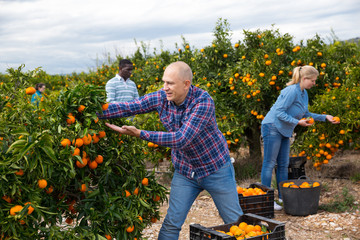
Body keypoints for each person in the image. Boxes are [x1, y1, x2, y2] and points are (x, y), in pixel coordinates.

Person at [99, 61, 243, 239]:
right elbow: (131, 106)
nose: (165, 87)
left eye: (170, 83)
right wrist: (95, 110)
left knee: (236, 224)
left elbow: (182, 138)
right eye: (164, 82)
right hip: (185, 172)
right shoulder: (162, 97)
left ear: (186, 84)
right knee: (171, 223)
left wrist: (141, 134)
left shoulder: (203, 102)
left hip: (215, 169)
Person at [260, 65, 338, 211]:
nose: (314, 83)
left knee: (283, 164)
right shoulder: (291, 91)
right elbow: (279, 113)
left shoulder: (304, 94)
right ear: (304, 78)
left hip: (285, 130)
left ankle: (284, 196)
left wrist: (325, 117)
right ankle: (267, 199)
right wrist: (297, 122)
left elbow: (305, 114)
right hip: (272, 126)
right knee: (269, 164)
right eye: (313, 81)